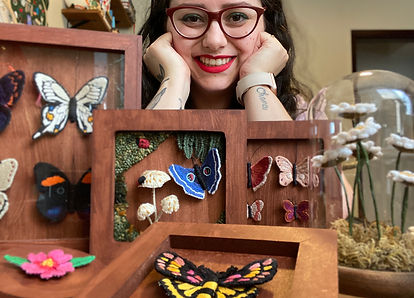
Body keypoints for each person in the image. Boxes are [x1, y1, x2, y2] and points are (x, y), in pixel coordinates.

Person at [139, 0, 317, 121]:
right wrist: (174, 80)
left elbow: (287, 174)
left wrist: (255, 81)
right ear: (163, 26)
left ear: (268, 25)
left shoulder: (302, 115)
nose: (214, 42)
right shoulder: (122, 103)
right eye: (192, 18)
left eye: (237, 17)